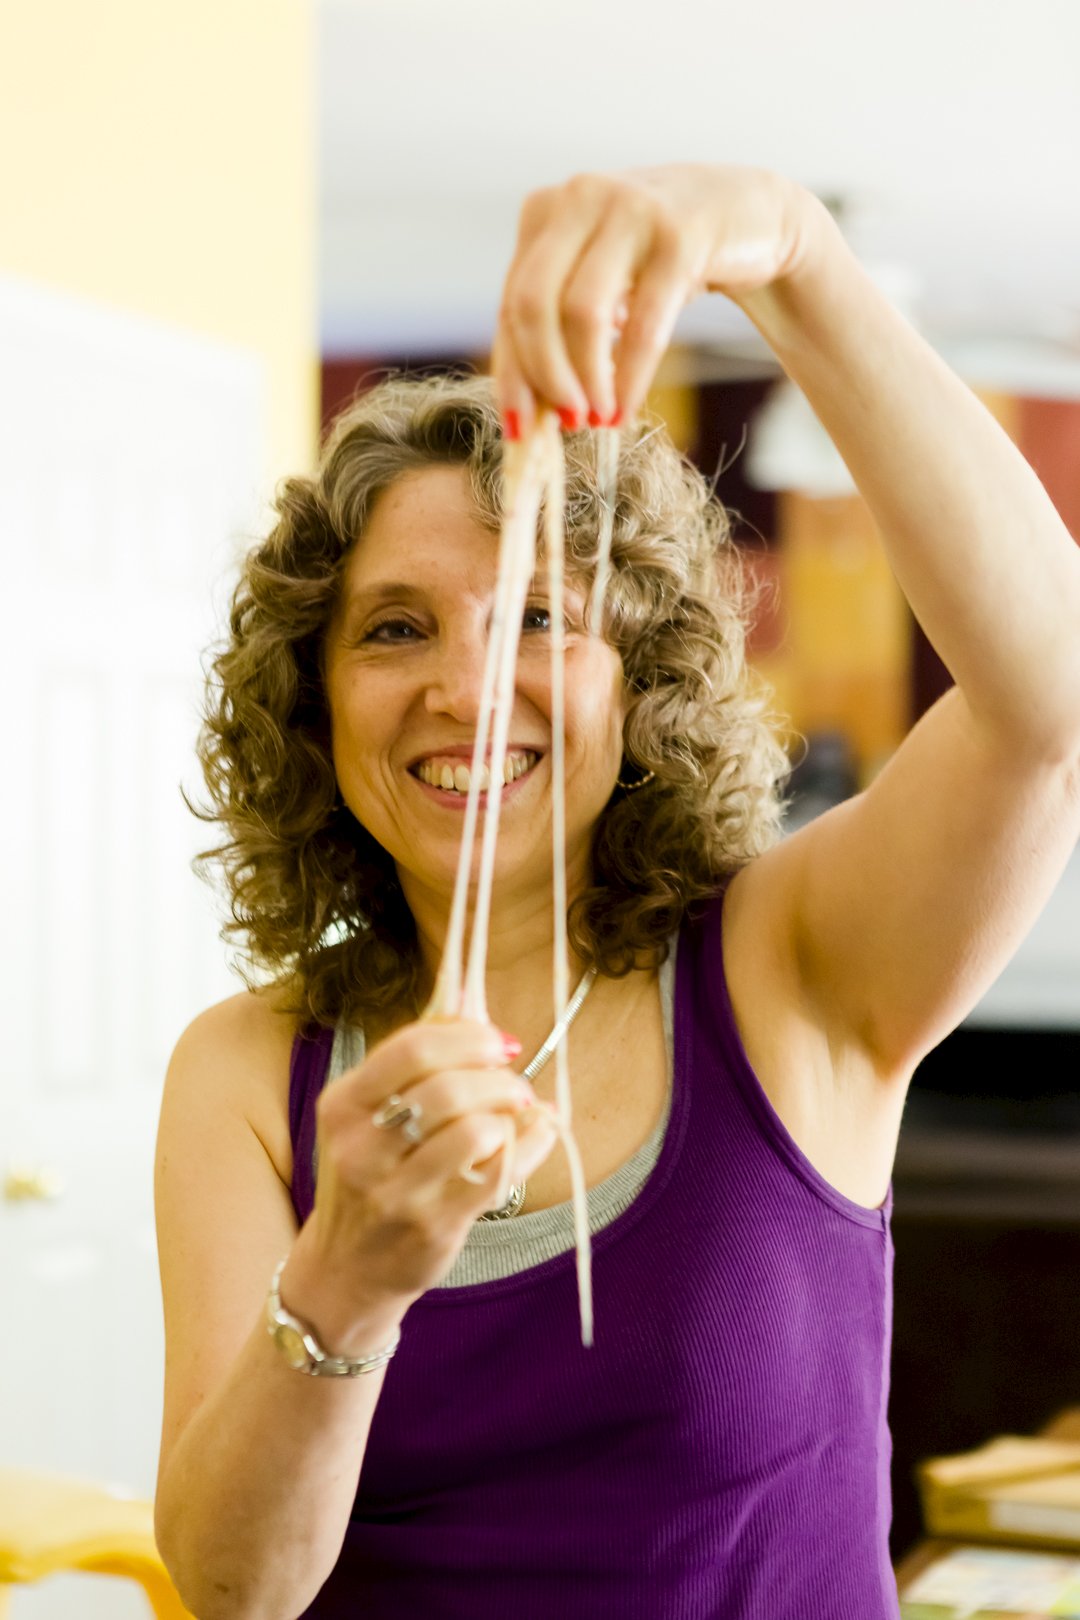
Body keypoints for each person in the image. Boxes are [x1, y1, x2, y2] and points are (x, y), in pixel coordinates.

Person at [153, 163, 1080, 1620]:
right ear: (312, 707)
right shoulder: (248, 1072)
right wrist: (345, 1280)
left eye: (538, 617)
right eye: (396, 628)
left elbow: (1051, 704)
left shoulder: (790, 964)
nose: (468, 687)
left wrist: (794, 256)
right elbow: (231, 1588)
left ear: (637, 688)